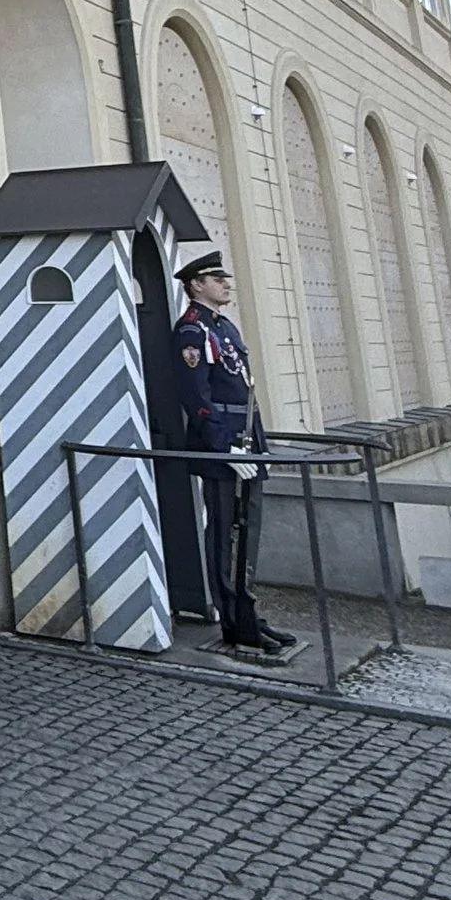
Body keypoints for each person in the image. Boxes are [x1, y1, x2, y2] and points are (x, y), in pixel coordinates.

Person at [172, 251, 293, 660]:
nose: (225, 283)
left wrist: (255, 444)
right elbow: (197, 396)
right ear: (196, 286)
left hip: (245, 441)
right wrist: (223, 446)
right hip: (223, 445)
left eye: (224, 277)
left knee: (248, 532)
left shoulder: (223, 327)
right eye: (215, 278)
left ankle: (248, 609)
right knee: (226, 534)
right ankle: (233, 619)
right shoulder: (192, 332)